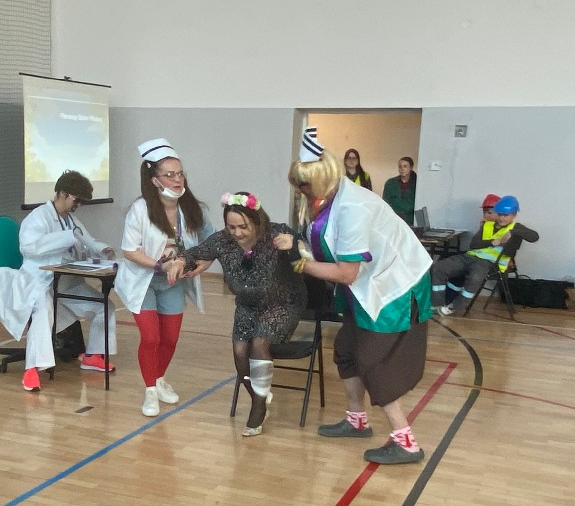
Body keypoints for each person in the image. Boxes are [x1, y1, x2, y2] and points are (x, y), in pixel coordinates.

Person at [288, 127, 433, 465]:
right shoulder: (331, 199)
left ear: (320, 179)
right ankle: (357, 421)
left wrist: (301, 264)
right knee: (346, 349)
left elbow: (346, 272)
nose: (299, 191)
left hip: (395, 285)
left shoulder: (352, 206)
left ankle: (406, 442)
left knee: (373, 361)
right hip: (366, 283)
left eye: (303, 185)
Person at [167, 193, 306, 436]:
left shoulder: (276, 233)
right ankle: (260, 395)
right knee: (240, 353)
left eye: (243, 226)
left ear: (257, 220)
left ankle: (258, 409)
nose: (238, 233)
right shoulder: (223, 240)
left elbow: (307, 250)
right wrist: (180, 262)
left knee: (259, 343)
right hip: (248, 304)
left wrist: (295, 245)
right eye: (232, 227)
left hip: (282, 302)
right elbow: (197, 252)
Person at [0, 170, 118, 392]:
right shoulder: (38, 217)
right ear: (62, 193)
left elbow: (88, 241)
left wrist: (103, 250)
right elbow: (28, 247)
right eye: (76, 199)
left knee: (104, 306)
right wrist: (65, 238)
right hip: (37, 282)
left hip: (65, 282)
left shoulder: (71, 220)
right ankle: (32, 370)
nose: (78, 205)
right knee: (43, 310)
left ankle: (92, 356)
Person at [115, 138, 215, 417]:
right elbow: (129, 250)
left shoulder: (193, 209)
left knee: (170, 339)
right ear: (155, 180)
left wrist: (203, 264)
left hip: (174, 282)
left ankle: (159, 379)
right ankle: (150, 391)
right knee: (151, 338)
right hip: (144, 280)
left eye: (180, 174)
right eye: (169, 175)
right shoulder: (140, 209)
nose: (177, 180)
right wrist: (160, 265)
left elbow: (213, 243)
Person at [431, 195, 538, 316]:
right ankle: (437, 304)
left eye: (505, 215)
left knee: (475, 278)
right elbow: (474, 244)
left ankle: (455, 306)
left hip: (490, 263)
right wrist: (493, 242)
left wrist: (512, 232)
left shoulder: (516, 227)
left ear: (514, 215)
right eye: (499, 214)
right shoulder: (487, 225)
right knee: (439, 267)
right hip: (470, 257)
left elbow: (534, 236)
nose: (501, 218)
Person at [381, 156, 418, 226]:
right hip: (393, 218)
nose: (402, 169)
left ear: (411, 168)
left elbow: (417, 203)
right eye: (400, 166)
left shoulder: (417, 184)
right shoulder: (390, 183)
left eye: (405, 166)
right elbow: (386, 201)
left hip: (410, 220)